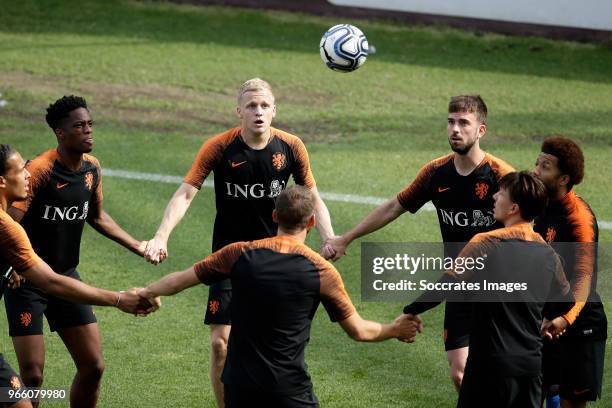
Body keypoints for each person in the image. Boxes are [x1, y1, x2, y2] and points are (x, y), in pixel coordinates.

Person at [142, 78, 335, 406]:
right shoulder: (219, 147)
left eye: (264, 106)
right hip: (229, 259)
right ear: (238, 112)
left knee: (274, 345)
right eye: (250, 106)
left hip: (276, 259)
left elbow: (312, 196)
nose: (258, 112)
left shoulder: (291, 147)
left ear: (274, 111)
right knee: (221, 344)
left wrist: (329, 238)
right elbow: (186, 193)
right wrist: (161, 235)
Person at [140, 185, 419, 407]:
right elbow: (359, 331)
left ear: (275, 216)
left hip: (238, 388)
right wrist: (395, 329)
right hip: (288, 390)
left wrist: (147, 292)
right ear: (311, 221)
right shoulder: (321, 270)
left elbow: (179, 280)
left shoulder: (238, 253)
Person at [326, 95, 513, 390]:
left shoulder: (502, 177)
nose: (455, 129)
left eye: (464, 123)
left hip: (499, 289)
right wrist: (346, 238)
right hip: (457, 287)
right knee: (460, 374)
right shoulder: (435, 172)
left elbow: (527, 230)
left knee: (503, 374)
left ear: (481, 130)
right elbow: (393, 207)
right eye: (451, 122)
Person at [4, 96, 148, 408]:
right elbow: (10, 220)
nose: (88, 131)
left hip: (66, 277)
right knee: (32, 376)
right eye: (79, 126)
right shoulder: (40, 170)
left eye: (89, 124)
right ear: (60, 132)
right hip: (29, 282)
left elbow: (96, 215)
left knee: (94, 366)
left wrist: (137, 245)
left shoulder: (92, 169)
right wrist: (13, 263)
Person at [403, 171, 573, 408]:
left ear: (513, 207)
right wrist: (547, 321)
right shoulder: (548, 253)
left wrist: (411, 310)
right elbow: (565, 302)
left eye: (500, 193)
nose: (494, 197)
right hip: (530, 367)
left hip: (488, 367)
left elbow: (446, 285)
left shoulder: (485, 242)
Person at [533, 137, 607, 408]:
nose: (536, 171)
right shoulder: (540, 208)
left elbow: (584, 279)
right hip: (544, 323)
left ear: (563, 178)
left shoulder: (580, 220)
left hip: (580, 326)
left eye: (545, 167)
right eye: (537, 163)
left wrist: (565, 319)